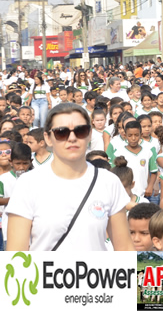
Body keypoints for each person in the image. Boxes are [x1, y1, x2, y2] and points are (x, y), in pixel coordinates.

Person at [6, 103, 134, 251]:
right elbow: (16, 254)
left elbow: (124, 248)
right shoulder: (28, 183)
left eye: (80, 130)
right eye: (61, 132)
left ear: (89, 134)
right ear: (48, 138)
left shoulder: (109, 182)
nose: (72, 138)